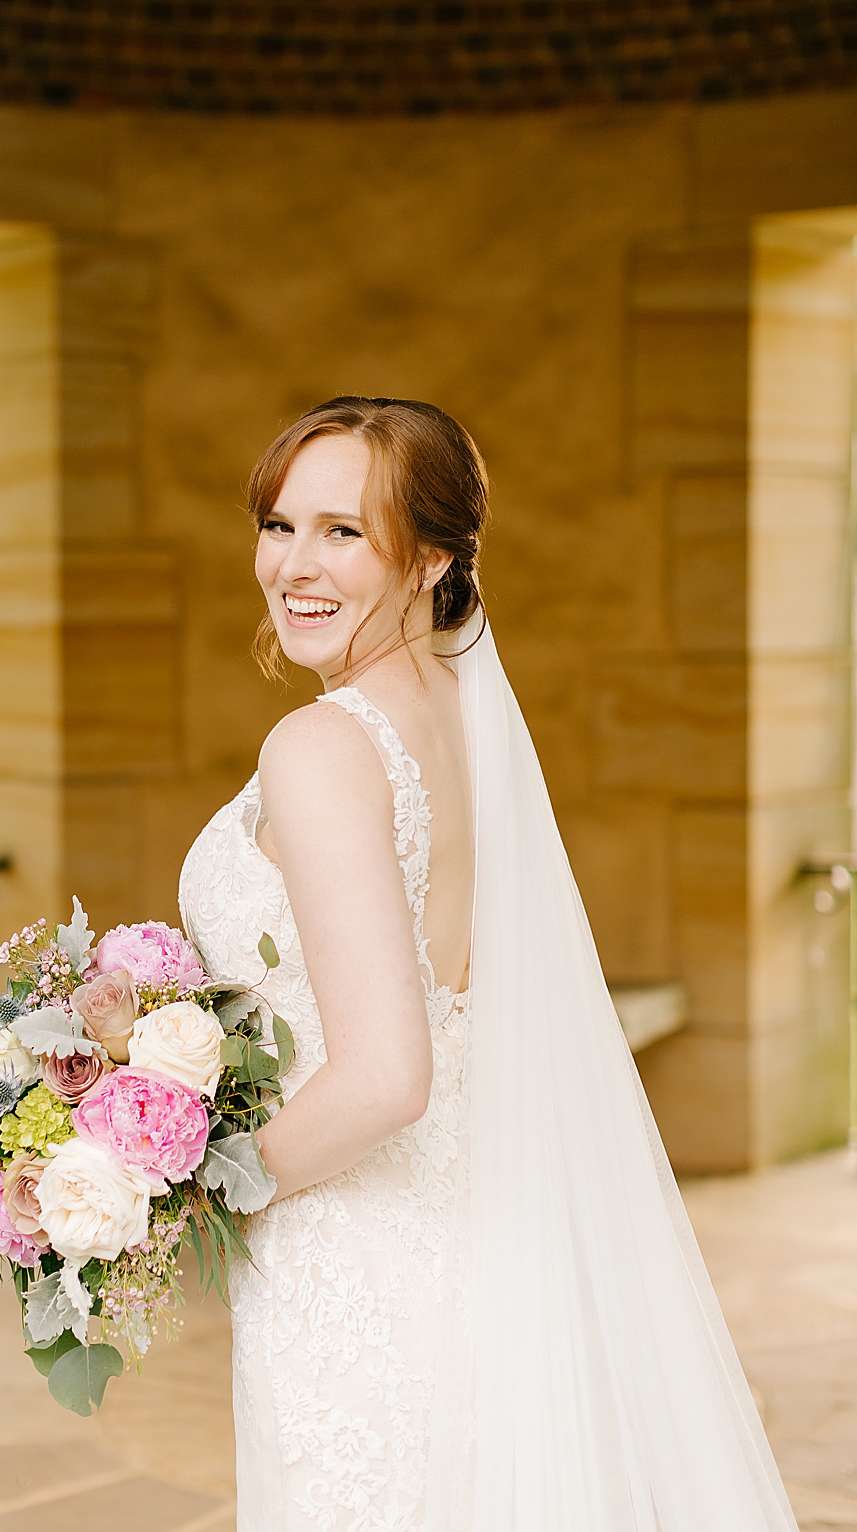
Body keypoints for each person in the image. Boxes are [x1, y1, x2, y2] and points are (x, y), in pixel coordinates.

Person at [178, 400, 799, 1530]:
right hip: (481, 1219)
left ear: (431, 557)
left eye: (341, 533)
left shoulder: (319, 746)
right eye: (277, 525)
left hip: (355, 1253)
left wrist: (180, 1185)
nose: (292, 566)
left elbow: (382, 1077)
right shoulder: (467, 719)